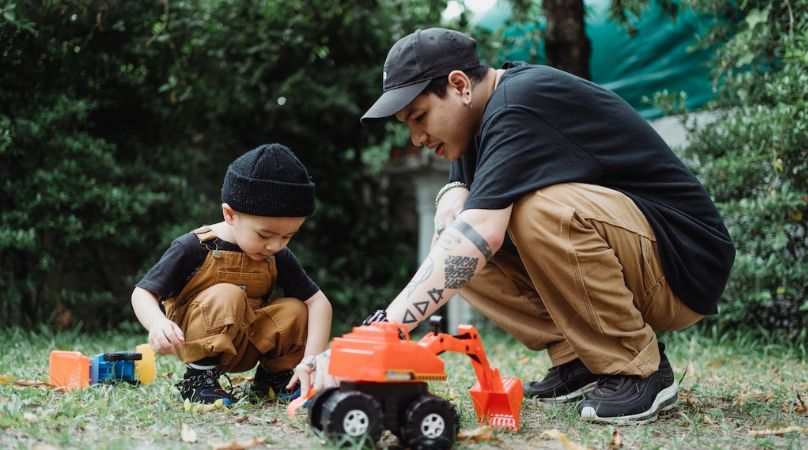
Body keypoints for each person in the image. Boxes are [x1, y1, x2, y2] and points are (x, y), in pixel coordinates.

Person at [333, 27, 736, 424]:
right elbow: (465, 223)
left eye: (419, 116)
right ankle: (578, 358)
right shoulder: (483, 115)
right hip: (638, 258)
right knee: (453, 241)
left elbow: (483, 232)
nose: (416, 137)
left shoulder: (518, 104)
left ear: (459, 85)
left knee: (535, 214)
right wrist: (454, 187)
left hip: (682, 263)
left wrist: (383, 331)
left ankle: (636, 369)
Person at [132, 143, 332, 407]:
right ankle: (198, 382)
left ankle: (275, 378)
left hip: (246, 342)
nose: (275, 245)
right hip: (195, 339)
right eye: (264, 235)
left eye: (288, 236)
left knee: (296, 308)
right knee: (228, 293)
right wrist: (157, 323)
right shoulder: (193, 247)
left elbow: (319, 303)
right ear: (230, 214)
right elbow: (142, 292)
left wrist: (311, 361)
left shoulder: (277, 255)